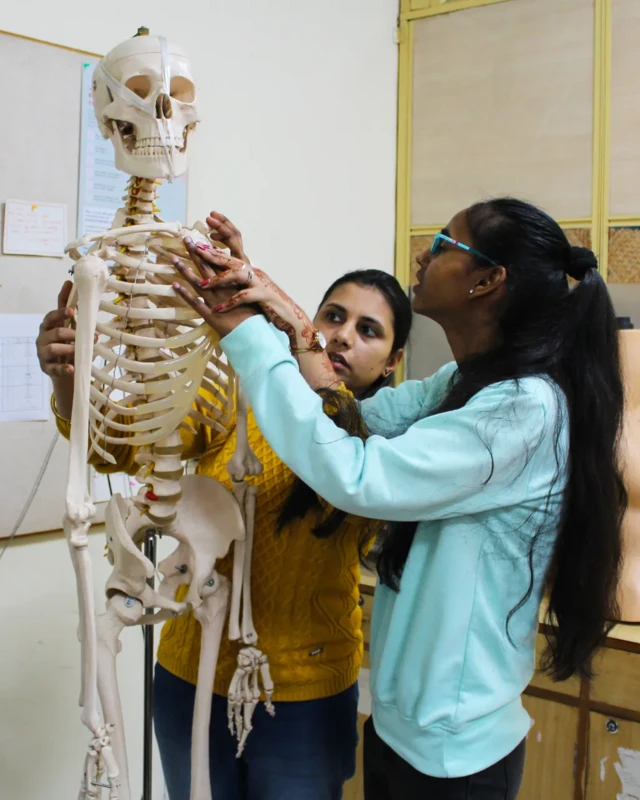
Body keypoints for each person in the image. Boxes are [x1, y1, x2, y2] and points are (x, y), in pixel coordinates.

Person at [173, 197, 626, 800]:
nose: (423, 253)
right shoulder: (462, 381)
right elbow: (354, 417)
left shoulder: (524, 408)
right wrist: (276, 310)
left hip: (451, 753)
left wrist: (249, 335)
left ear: (488, 280)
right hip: (401, 728)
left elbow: (357, 472)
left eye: (444, 245)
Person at [36, 211, 412, 800]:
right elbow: (123, 451)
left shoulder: (380, 443)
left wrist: (276, 322)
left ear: (392, 363)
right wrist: (68, 378)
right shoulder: (245, 399)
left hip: (305, 692)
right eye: (333, 316)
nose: (342, 335)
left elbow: (339, 437)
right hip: (190, 674)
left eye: (369, 331)